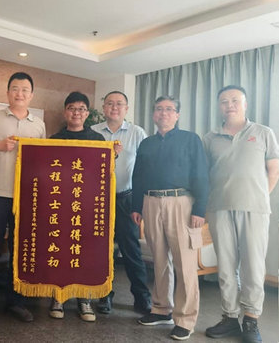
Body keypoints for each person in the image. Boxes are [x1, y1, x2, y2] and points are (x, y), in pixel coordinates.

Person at [203, 85, 279, 343]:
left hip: (254, 209)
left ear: (245, 104)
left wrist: (258, 197)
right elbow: (204, 175)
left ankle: (251, 320)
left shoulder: (263, 133)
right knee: (225, 267)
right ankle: (229, 317)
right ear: (219, 106)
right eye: (224, 101)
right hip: (219, 208)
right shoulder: (210, 138)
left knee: (253, 266)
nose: (230, 105)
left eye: (235, 100)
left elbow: (274, 170)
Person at [131, 96, 209, 341]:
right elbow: (138, 176)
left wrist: (200, 210)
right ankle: (161, 309)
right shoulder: (147, 143)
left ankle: (185, 319)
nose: (163, 113)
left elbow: (201, 174)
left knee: (185, 263)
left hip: (181, 203)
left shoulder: (190, 139)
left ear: (177, 114)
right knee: (159, 259)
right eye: (158, 109)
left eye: (169, 109)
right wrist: (136, 206)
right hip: (150, 202)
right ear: (154, 114)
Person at [0, 72, 45, 325]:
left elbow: (43, 159)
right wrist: (0, 145)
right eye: (15, 88)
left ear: (31, 95)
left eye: (25, 90)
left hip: (25, 198)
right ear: (7, 92)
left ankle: (16, 301)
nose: (20, 93)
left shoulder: (38, 125)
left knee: (20, 251)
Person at [48, 91, 111, 322]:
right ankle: (59, 297)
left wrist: (112, 157)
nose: (77, 112)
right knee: (60, 249)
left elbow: (103, 173)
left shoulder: (98, 140)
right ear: (65, 112)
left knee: (85, 251)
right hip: (60, 205)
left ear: (87, 114)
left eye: (81, 109)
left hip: (87, 206)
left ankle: (84, 299)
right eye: (72, 108)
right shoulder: (54, 139)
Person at [91, 91, 152, 315]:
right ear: (103, 108)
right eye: (109, 103)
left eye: (119, 104)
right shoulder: (93, 132)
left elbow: (145, 168)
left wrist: (141, 202)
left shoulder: (137, 133)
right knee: (101, 250)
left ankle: (142, 298)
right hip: (97, 200)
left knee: (131, 251)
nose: (114, 107)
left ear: (126, 108)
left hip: (126, 198)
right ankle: (104, 295)